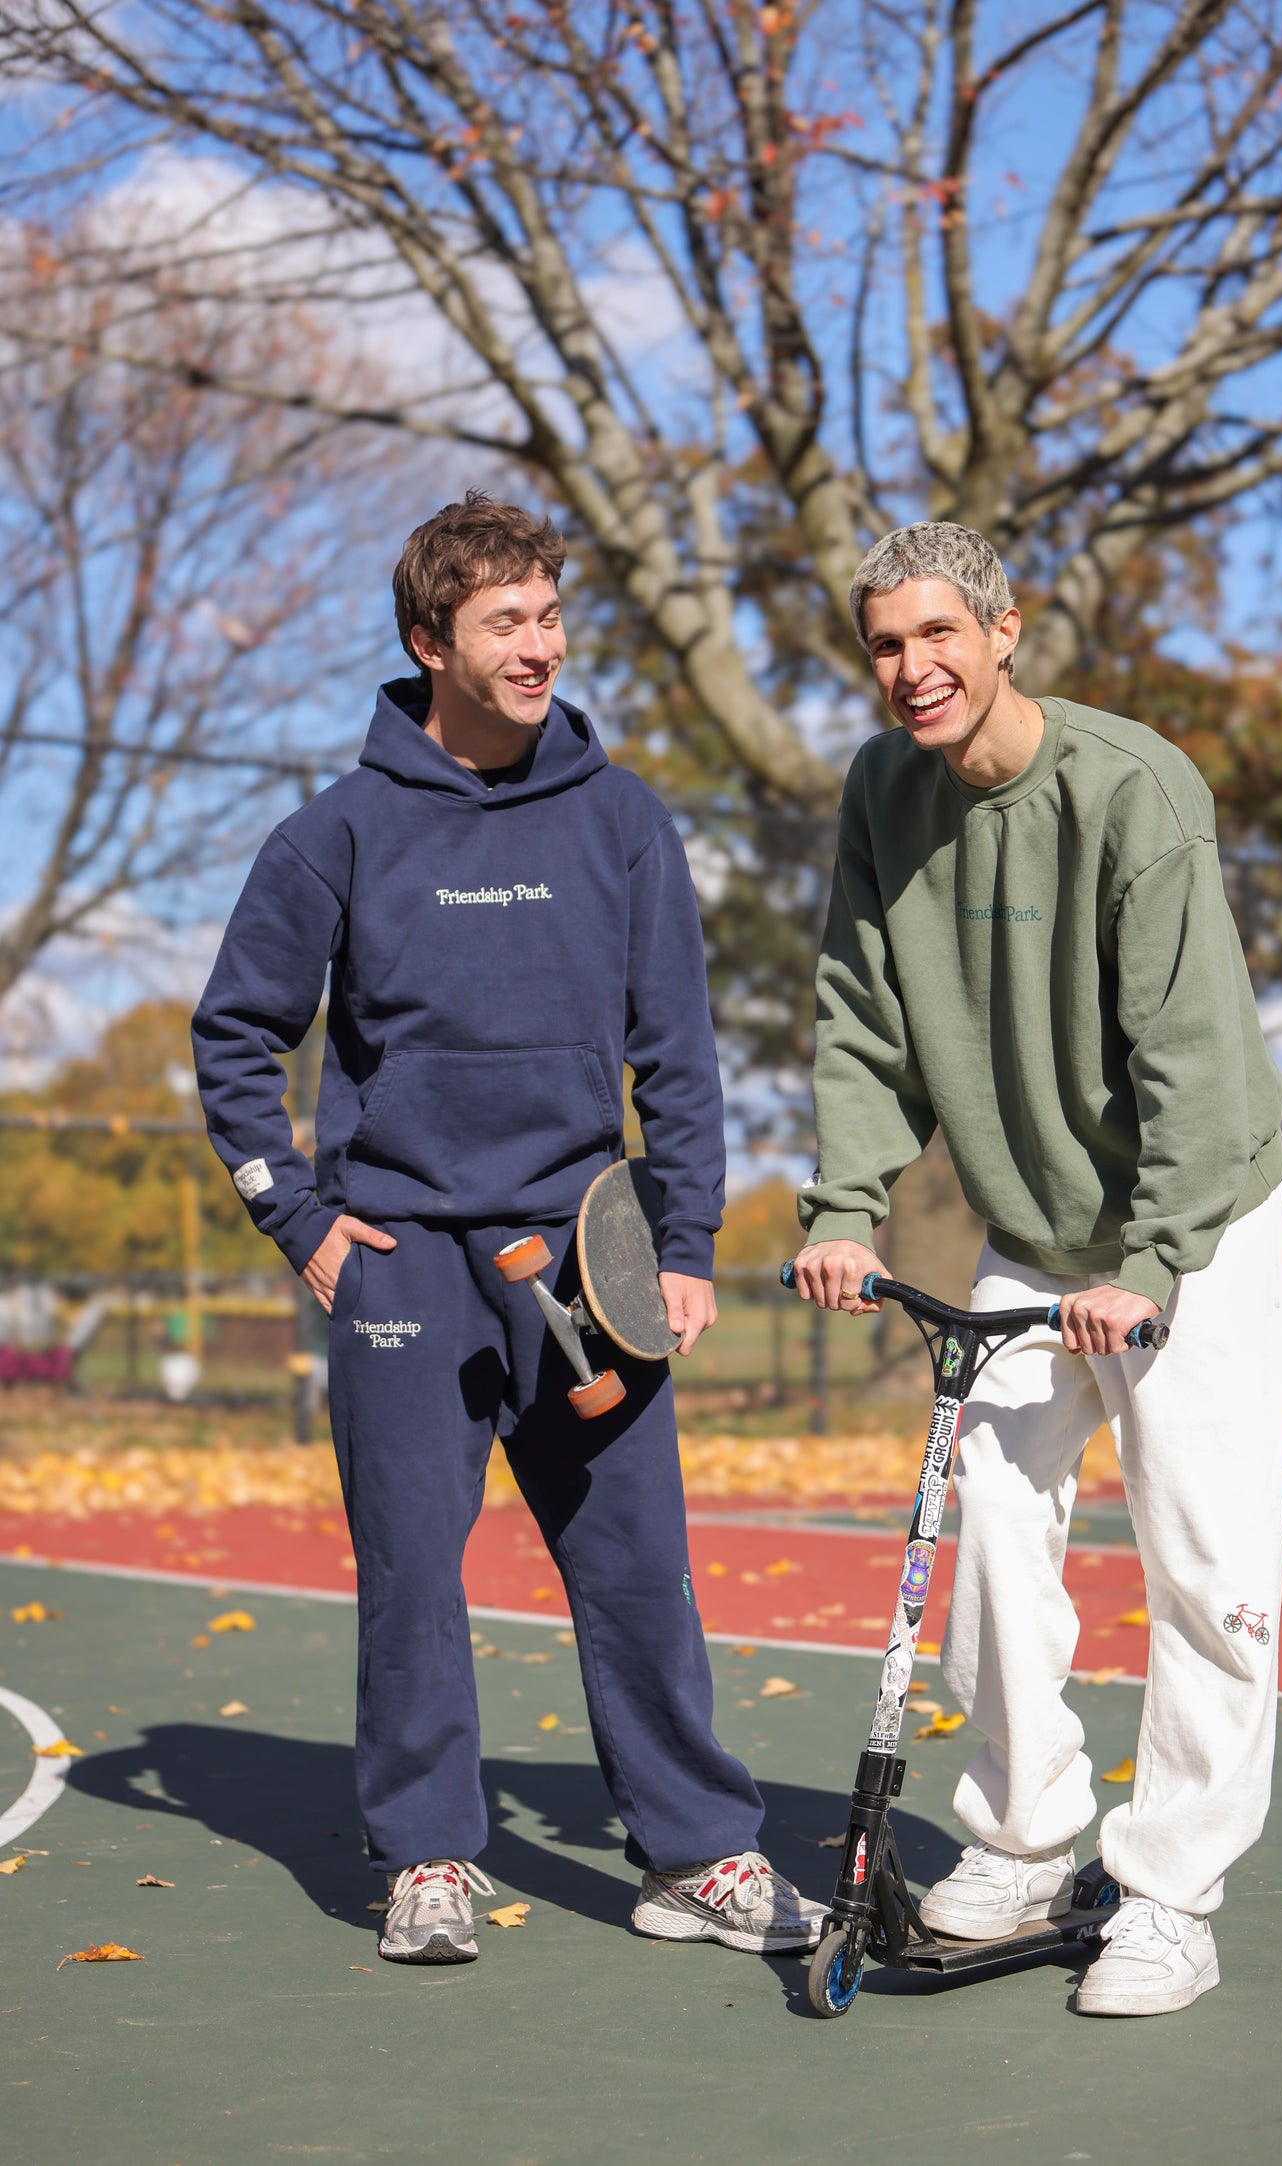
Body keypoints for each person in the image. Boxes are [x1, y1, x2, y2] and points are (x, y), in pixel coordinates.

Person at [193, 491, 825, 1965]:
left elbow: (678, 1051)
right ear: (430, 643)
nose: (539, 643)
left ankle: (697, 1851)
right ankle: (425, 1854)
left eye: (549, 613)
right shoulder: (332, 834)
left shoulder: (621, 820)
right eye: (506, 621)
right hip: (403, 1260)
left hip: (586, 1254)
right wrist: (304, 1224)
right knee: (412, 1568)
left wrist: (681, 1247)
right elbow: (235, 1042)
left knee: (635, 1565)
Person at [789, 522, 1282, 2018]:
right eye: (883, 645)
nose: (910, 669)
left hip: (1192, 1224)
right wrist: (844, 1206)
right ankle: (1018, 1831)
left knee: (1203, 1568)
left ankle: (1169, 1892)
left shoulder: (1128, 789)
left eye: (937, 635)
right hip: (1035, 1230)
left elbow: (1192, 1054)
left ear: (1004, 630)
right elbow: (858, 1014)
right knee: (991, 1521)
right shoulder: (885, 790)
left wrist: (1148, 1263)